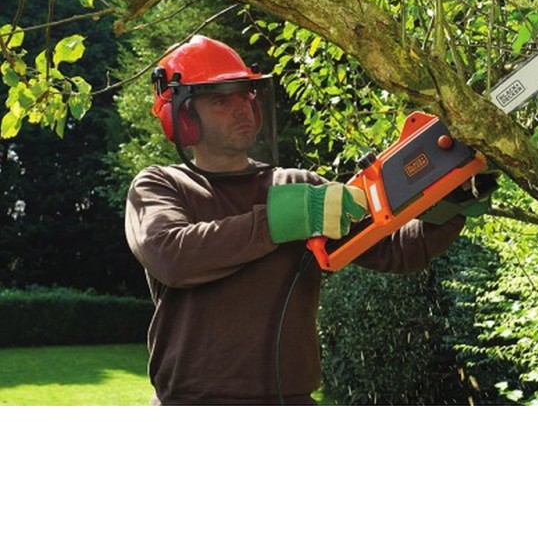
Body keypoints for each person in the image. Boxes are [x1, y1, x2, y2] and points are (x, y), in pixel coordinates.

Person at [124, 35, 486, 405]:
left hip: (291, 401)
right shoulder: (162, 185)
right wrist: (285, 219)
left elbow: (399, 250)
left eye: (245, 96)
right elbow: (172, 256)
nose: (241, 109)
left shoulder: (298, 186)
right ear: (184, 118)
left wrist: (454, 196)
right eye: (221, 100)